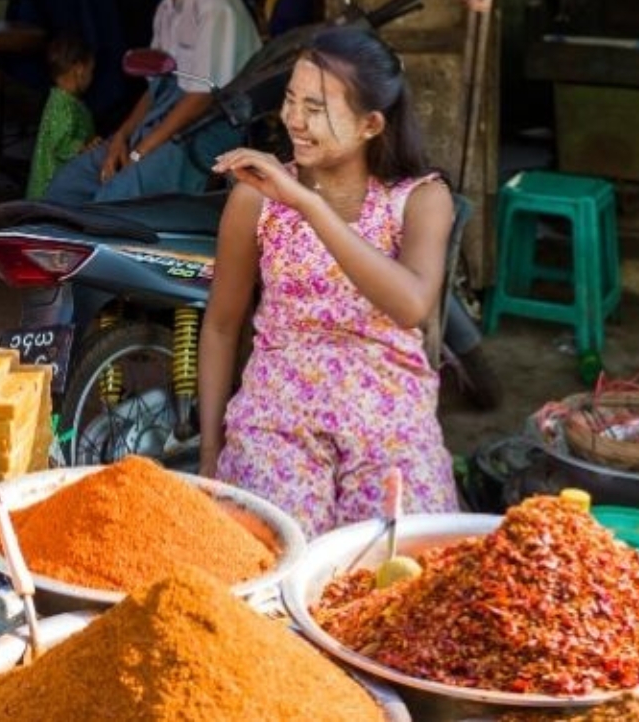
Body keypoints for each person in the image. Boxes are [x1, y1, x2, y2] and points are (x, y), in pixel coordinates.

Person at [196, 27, 458, 539]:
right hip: (276, 423)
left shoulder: (421, 199)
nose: (293, 119)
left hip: (392, 427)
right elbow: (222, 327)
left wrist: (307, 204)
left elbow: (410, 304)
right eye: (291, 100)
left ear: (371, 124)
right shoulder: (256, 198)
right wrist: (211, 453)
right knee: (276, 560)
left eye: (315, 108)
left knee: (403, 568)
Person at [44, 0, 261, 206]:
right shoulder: (166, 7)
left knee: (115, 198)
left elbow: (201, 98)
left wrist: (140, 151)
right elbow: (154, 89)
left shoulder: (215, 6)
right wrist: (121, 137)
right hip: (165, 123)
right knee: (69, 185)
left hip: (206, 130)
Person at [27, 32, 99, 200]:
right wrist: (84, 147)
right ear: (79, 69)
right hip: (52, 188)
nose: (92, 77)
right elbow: (60, 144)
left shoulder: (65, 101)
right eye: (91, 70)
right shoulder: (63, 105)